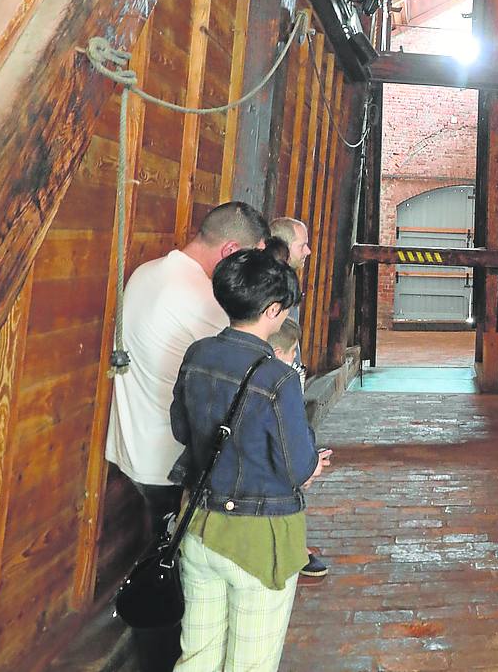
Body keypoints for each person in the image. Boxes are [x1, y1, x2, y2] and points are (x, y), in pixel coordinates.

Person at [170, 248, 331, 672]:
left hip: (199, 523)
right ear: (273, 309)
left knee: (198, 654)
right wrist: (312, 465)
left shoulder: (198, 353)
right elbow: (297, 468)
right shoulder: (277, 377)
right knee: (251, 662)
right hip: (258, 535)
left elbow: (182, 431)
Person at [106, 202, 269, 540]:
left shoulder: (147, 271)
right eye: (250, 259)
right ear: (230, 251)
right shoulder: (206, 300)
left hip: (132, 444)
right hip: (171, 460)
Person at [268, 317, 328, 579]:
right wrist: (307, 466)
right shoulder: (282, 382)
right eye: (293, 352)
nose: (295, 358)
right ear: (277, 352)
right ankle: (292, 550)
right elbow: (292, 428)